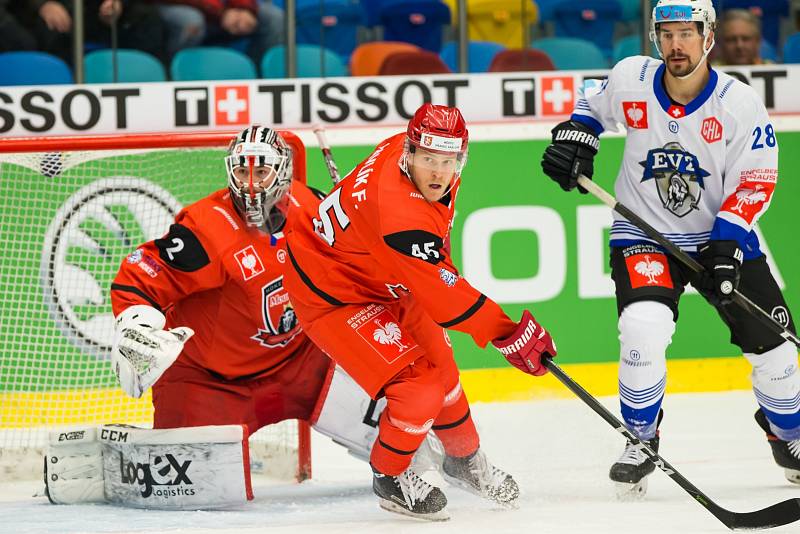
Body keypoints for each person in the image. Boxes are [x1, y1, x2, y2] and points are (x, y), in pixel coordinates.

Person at [540, 0, 800, 499]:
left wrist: (726, 240)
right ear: (655, 36)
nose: (676, 44)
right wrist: (577, 138)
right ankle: (640, 435)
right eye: (666, 33)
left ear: (708, 36)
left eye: (687, 32)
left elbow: (757, 178)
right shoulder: (631, 78)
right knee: (643, 325)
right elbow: (592, 101)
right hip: (645, 234)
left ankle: (787, 435)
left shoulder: (738, 103)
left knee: (778, 354)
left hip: (722, 238)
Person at [283, 103, 557, 520]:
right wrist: (506, 333)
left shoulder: (411, 153)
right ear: (410, 152)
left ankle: (464, 460)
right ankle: (390, 475)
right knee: (419, 391)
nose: (438, 172)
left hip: (383, 275)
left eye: (448, 161)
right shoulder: (399, 212)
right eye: (428, 159)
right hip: (333, 293)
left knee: (444, 370)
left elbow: (431, 264)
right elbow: (446, 300)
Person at [110, 126, 422, 477]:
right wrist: (137, 325)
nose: (251, 184)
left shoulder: (315, 208)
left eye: (261, 171)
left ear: (283, 172)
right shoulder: (207, 229)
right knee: (193, 487)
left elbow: (350, 279)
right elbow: (139, 277)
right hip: (211, 383)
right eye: (243, 172)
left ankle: (463, 455)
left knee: (413, 444)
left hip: (304, 363)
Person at [4, 0, 166, 64]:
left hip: (96, 10)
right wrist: (44, 4)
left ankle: (147, 77)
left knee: (147, 18)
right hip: (54, 10)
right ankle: (61, 85)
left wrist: (116, 3)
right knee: (54, 25)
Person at [154, 0, 284, 63]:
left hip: (223, 10)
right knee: (191, 21)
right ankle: (174, 74)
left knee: (275, 18)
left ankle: (259, 76)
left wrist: (244, 9)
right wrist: (220, 13)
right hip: (176, 5)